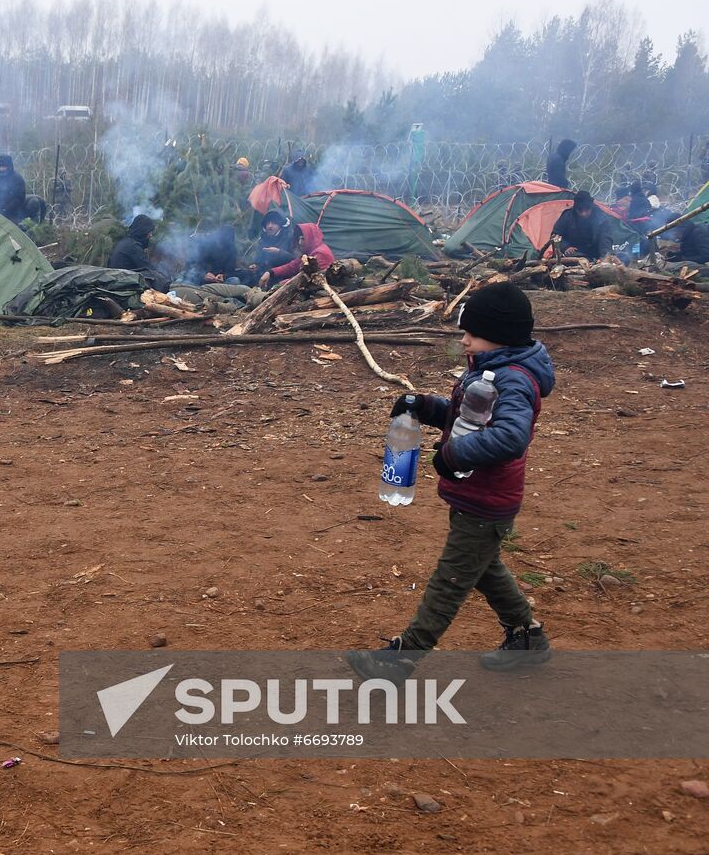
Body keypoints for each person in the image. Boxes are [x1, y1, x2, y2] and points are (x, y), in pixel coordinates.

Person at [347, 283, 556, 680]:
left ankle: (400, 659)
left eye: (471, 335)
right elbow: (467, 417)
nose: (464, 342)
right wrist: (424, 406)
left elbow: (510, 436)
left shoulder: (514, 380)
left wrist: (453, 455)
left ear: (500, 335)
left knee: (451, 580)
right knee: (483, 567)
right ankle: (527, 639)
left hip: (488, 498)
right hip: (475, 493)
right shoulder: (491, 369)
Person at [256, 210, 334, 288]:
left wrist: (278, 286)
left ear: (311, 237)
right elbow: (293, 266)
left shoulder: (321, 254)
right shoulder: (309, 253)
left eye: (303, 239)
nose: (299, 243)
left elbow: (304, 279)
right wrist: (271, 272)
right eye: (299, 239)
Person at [107, 214, 170, 291]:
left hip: (117, 279)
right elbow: (148, 268)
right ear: (143, 231)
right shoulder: (133, 246)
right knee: (153, 276)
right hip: (121, 284)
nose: (151, 235)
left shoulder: (127, 242)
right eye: (149, 232)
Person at [550, 191, 613, 259]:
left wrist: (604, 257)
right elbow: (555, 235)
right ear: (575, 208)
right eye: (580, 210)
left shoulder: (601, 217)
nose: (584, 214)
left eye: (587, 210)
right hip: (576, 253)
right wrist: (565, 247)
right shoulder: (567, 216)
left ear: (591, 207)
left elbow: (605, 239)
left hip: (596, 252)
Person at [0, 155, 27, 224]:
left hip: (12, 214)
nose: (1, 168)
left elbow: (19, 198)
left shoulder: (17, 179)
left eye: (3, 166)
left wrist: (5, 209)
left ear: (9, 166)